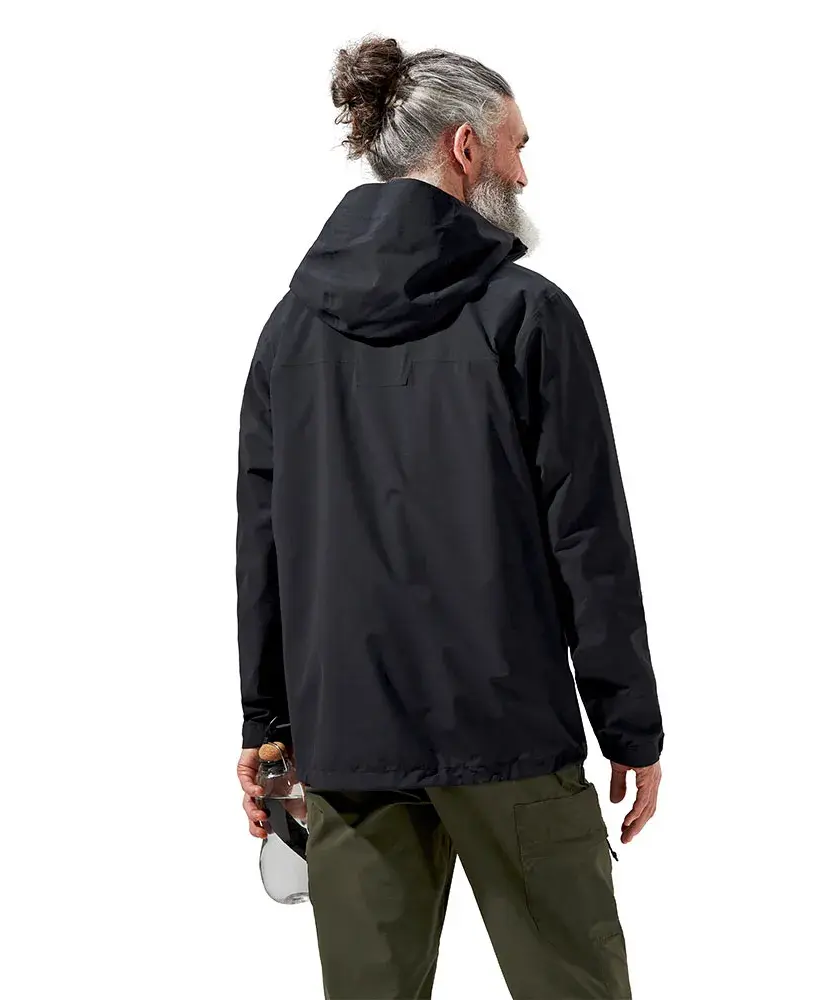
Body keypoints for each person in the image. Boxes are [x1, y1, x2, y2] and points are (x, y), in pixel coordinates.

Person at [234, 35, 664, 1000]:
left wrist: (268, 731)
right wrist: (630, 728)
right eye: (517, 145)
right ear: (466, 148)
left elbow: (263, 547)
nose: (524, 171)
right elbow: (588, 538)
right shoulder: (527, 315)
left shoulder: (288, 333)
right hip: (506, 729)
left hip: (350, 737)